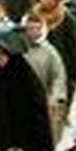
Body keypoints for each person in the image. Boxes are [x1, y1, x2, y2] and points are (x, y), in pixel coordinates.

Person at [22, 11, 70, 143]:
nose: (33, 32)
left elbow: (58, 77)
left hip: (42, 102)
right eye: (30, 28)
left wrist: (56, 97)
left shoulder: (50, 52)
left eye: (37, 28)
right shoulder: (17, 49)